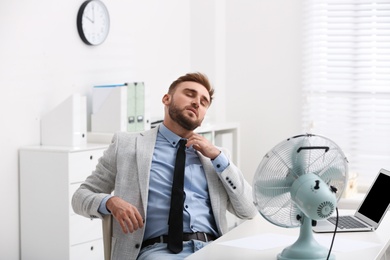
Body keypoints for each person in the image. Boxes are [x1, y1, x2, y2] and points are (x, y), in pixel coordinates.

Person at [72, 72, 258, 260]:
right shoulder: (127, 144)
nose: (196, 103)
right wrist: (110, 202)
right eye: (190, 94)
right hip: (157, 251)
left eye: (204, 102)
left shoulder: (216, 157)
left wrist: (218, 158)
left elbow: (249, 210)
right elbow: (80, 196)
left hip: (213, 250)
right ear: (166, 99)